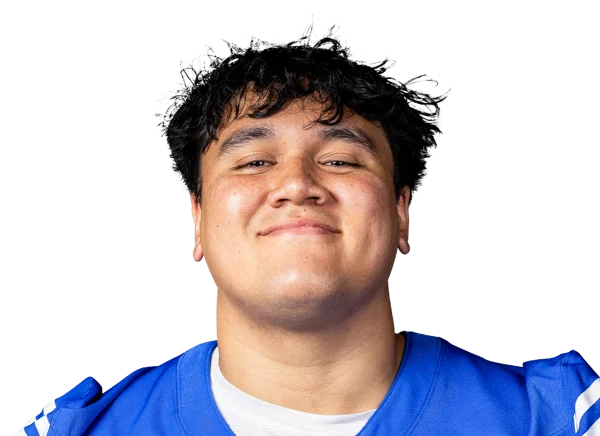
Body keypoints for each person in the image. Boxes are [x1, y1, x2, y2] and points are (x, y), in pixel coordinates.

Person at [17, 25, 598, 436]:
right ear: (197, 223)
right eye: (253, 162)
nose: (297, 184)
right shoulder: (70, 430)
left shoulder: (560, 419)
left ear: (401, 213)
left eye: (340, 160)